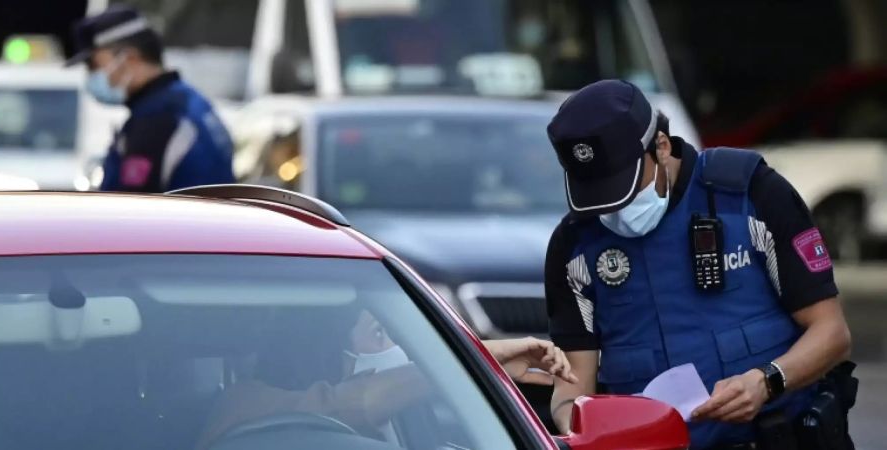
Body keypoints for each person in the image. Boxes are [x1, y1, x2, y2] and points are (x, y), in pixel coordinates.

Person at [544, 80, 855, 449]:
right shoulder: (573, 246)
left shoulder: (749, 195)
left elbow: (832, 334)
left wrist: (767, 380)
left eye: (623, 188)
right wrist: (578, 426)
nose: (613, 209)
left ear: (660, 146)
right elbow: (573, 385)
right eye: (598, 195)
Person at [195, 308, 575, 449]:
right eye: (381, 334)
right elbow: (348, 403)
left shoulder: (416, 425)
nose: (402, 350)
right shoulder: (245, 403)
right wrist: (474, 362)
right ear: (329, 349)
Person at [66, 6, 235, 192]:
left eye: (94, 65)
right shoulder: (187, 100)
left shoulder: (157, 118)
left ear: (129, 58)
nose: (91, 76)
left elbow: (129, 208)